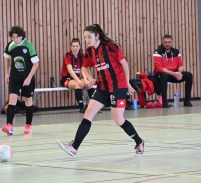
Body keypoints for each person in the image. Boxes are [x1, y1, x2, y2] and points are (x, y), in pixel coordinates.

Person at [56, 24, 144, 157]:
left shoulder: (110, 47)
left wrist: (126, 83)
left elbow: (124, 64)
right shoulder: (90, 51)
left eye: (89, 37)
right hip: (103, 88)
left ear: (97, 36)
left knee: (119, 120)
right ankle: (74, 147)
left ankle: (139, 141)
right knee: (88, 115)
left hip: (117, 87)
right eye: (85, 37)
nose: (87, 40)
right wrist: (89, 79)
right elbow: (84, 67)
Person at [2, 26, 39, 135]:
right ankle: (9, 125)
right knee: (12, 99)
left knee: (28, 101)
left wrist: (28, 78)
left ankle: (28, 125)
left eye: (15, 37)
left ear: (21, 36)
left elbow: (36, 64)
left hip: (27, 77)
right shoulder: (10, 45)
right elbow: (7, 59)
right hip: (14, 76)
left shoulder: (28, 45)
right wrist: (7, 73)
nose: (14, 39)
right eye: (12, 37)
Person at [153, 34, 193, 108]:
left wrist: (179, 73)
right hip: (161, 75)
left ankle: (187, 100)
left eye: (169, 42)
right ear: (162, 42)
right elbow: (160, 68)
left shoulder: (176, 52)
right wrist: (174, 74)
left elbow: (180, 65)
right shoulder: (157, 52)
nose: (167, 44)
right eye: (165, 42)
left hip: (174, 74)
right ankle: (164, 101)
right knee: (164, 75)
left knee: (189, 75)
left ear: (172, 42)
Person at [60, 38, 96, 113]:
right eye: (73, 46)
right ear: (71, 47)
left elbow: (84, 69)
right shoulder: (68, 55)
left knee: (89, 84)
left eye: (77, 46)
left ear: (79, 47)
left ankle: (94, 106)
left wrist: (86, 80)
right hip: (67, 79)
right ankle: (81, 107)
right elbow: (70, 70)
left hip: (77, 78)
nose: (75, 48)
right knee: (78, 85)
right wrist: (79, 81)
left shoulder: (82, 56)